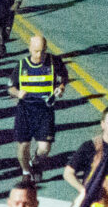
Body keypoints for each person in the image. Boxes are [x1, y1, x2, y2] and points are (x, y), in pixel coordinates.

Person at [10, 33, 68, 176]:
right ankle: (25, 173)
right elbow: (10, 87)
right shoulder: (22, 65)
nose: (39, 54)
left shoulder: (54, 62)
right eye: (36, 51)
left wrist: (60, 88)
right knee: (23, 146)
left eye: (42, 50)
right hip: (25, 110)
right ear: (29, 49)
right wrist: (17, 93)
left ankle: (35, 162)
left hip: (45, 110)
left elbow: (63, 77)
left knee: (44, 148)